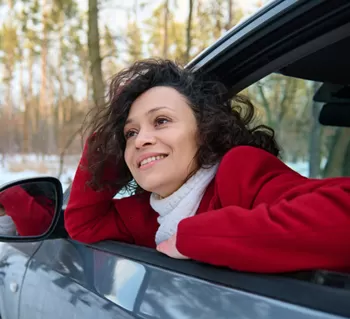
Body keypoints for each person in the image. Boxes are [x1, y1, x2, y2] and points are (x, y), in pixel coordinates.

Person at [65, 59, 350, 273]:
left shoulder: (239, 172)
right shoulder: (148, 211)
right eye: (130, 133)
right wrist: (106, 141)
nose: (141, 140)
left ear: (205, 130)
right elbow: (84, 224)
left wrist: (193, 238)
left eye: (161, 120)